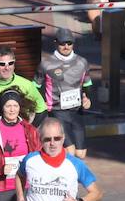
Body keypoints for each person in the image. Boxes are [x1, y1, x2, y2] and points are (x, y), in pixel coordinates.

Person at [36, 27, 93, 157]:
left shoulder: (82, 62)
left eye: (69, 43)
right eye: (62, 43)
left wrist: (88, 99)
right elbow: (35, 86)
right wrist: (41, 102)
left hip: (76, 111)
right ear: (56, 43)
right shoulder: (46, 64)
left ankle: (73, 176)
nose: (66, 46)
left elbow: (87, 84)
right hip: (57, 111)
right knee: (70, 151)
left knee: (81, 153)